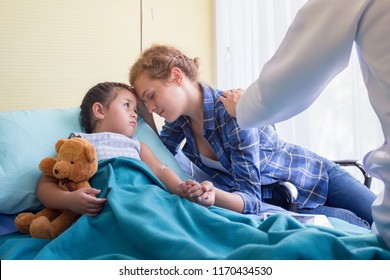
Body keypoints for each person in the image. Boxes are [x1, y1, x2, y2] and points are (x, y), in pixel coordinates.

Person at [129, 44, 376, 229]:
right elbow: (159, 155)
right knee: (363, 231)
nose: (150, 107)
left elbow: (250, 199)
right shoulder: (179, 121)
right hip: (289, 202)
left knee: (381, 218)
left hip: (315, 176)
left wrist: (213, 193)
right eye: (145, 102)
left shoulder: (232, 111)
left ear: (176, 77)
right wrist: (139, 114)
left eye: (151, 96)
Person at [219, 0, 390, 246]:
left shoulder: (224, 111)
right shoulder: (185, 134)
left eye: (151, 96)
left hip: (318, 170)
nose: (151, 108)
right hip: (293, 194)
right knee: (357, 225)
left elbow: (282, 89)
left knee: (363, 226)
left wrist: (244, 106)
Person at [36, 82, 215, 217]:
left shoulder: (137, 145)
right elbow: (46, 184)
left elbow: (160, 170)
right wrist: (68, 201)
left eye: (136, 109)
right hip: (109, 207)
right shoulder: (79, 142)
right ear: (99, 110)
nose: (135, 114)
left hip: (149, 200)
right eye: (127, 105)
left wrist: (180, 187)